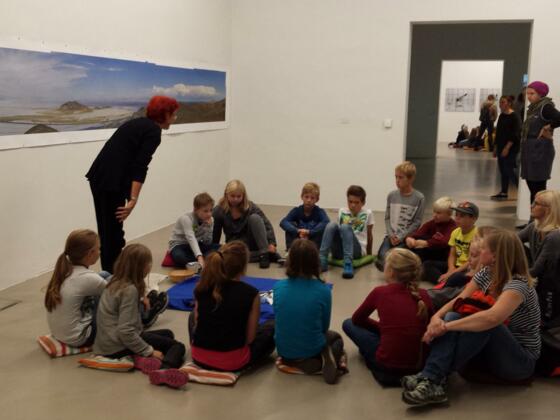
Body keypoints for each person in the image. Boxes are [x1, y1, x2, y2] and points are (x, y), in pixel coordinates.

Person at [402, 230, 541, 407]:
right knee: (454, 314)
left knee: (483, 321)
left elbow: (491, 318)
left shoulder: (518, 285)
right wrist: (437, 318)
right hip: (492, 349)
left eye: (483, 248)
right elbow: (459, 300)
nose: (479, 251)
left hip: (519, 362)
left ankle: (432, 377)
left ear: (495, 256)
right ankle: (431, 378)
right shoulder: (486, 273)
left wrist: (445, 327)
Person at [86, 96, 179, 272]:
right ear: (165, 114)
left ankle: (111, 274)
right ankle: (113, 278)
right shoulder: (153, 131)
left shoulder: (138, 124)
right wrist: (133, 199)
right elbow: (140, 167)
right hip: (110, 182)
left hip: (100, 177)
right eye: (173, 114)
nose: (175, 118)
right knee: (113, 235)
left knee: (108, 231)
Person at [93, 244, 188, 389]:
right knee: (178, 346)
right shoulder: (129, 290)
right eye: (149, 263)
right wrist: (149, 351)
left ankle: (139, 359)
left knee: (168, 334)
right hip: (117, 346)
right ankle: (163, 370)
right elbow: (126, 331)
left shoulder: (114, 281)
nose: (150, 267)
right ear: (141, 267)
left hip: (105, 343)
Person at [343, 248, 432, 385]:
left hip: (387, 367)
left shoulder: (380, 292)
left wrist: (382, 328)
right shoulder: (424, 295)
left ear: (390, 271)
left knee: (348, 323)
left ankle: (374, 356)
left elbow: (357, 319)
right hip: (418, 366)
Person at [188, 241, 275, 372]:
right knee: (272, 326)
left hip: (198, 357)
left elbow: (197, 323)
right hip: (232, 362)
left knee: (192, 315)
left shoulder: (201, 287)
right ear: (243, 267)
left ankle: (205, 350)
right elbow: (250, 339)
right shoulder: (251, 293)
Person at [273, 239, 345, 384]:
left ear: (290, 261)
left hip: (284, 351)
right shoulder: (323, 290)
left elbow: (279, 317)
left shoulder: (278, 286)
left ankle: (295, 361)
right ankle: (324, 357)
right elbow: (324, 327)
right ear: (315, 262)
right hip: (312, 349)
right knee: (336, 338)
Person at [45, 229, 105, 347]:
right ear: (90, 253)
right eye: (99, 248)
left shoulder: (64, 271)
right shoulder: (88, 278)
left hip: (60, 334)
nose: (100, 252)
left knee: (104, 275)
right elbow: (119, 294)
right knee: (115, 297)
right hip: (79, 338)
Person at [212, 180, 278, 269]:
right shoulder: (219, 210)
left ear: (243, 196)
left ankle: (264, 253)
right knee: (228, 257)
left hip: (252, 241)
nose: (235, 199)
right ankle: (267, 254)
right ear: (226, 195)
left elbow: (266, 224)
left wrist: (271, 243)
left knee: (255, 218)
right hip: (235, 244)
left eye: (239, 196)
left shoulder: (251, 206)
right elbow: (215, 232)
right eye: (232, 196)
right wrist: (214, 249)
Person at [518, 190, 560, 322]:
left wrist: (512, 275)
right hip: (540, 281)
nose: (531, 206)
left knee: (544, 322)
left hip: (551, 286)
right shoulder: (534, 227)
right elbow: (511, 242)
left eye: (536, 203)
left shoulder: (555, 236)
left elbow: (537, 270)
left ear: (548, 209)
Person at [376, 161, 425, 271]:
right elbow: (387, 218)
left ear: (411, 179)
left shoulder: (419, 198)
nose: (397, 180)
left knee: (394, 256)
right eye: (396, 177)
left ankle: (391, 266)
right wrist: (391, 234)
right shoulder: (391, 195)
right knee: (383, 255)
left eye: (401, 177)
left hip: (405, 238)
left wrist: (401, 236)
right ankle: (392, 266)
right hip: (391, 236)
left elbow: (417, 222)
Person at [319, 185, 374, 279]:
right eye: (350, 202)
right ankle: (322, 260)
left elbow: (369, 235)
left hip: (356, 251)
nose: (353, 205)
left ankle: (348, 264)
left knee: (345, 226)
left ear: (363, 202)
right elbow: (337, 232)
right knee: (331, 224)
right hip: (340, 250)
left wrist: (369, 255)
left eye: (357, 202)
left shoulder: (368, 213)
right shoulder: (342, 211)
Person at [520, 81, 560, 208]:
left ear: (541, 94)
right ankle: (534, 217)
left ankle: (541, 217)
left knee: (538, 189)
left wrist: (549, 127)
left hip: (540, 151)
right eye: (527, 93)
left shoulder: (545, 107)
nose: (529, 96)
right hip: (530, 150)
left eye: (532, 93)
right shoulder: (533, 108)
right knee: (532, 187)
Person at [422, 202, 478, 284]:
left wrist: (453, 272)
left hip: (468, 267)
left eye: (462, 216)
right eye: (456, 215)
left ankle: (444, 282)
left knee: (458, 277)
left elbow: (470, 261)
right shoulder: (455, 232)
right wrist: (451, 268)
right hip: (456, 265)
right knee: (427, 264)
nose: (457, 218)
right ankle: (445, 282)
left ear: (473, 219)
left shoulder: (477, 235)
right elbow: (452, 254)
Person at [169, 192, 217, 268]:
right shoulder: (186, 219)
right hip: (180, 245)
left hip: (196, 244)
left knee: (220, 248)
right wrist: (199, 257)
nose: (209, 214)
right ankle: (202, 258)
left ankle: (196, 260)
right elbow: (191, 238)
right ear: (195, 210)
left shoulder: (210, 219)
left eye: (211, 210)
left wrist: (208, 227)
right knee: (180, 257)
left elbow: (207, 242)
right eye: (205, 211)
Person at [279, 182, 330, 251]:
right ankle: (290, 251)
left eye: (312, 198)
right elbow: (283, 222)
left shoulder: (319, 211)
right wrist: (297, 231)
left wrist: (309, 232)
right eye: (306, 197)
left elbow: (326, 222)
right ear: (302, 197)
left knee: (322, 227)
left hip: (313, 241)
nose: (309, 200)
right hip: (298, 240)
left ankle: (317, 252)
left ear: (317, 199)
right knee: (290, 225)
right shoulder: (297, 210)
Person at [405, 196, 456, 263]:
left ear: (449, 214)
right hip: (430, 253)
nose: (434, 215)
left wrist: (426, 243)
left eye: (438, 213)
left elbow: (444, 242)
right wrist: (410, 238)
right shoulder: (432, 223)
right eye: (434, 212)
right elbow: (419, 233)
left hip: (442, 257)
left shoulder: (453, 227)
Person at [491, 95, 522, 200]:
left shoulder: (514, 116)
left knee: (509, 169)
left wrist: (507, 147)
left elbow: (515, 134)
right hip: (500, 146)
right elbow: (498, 132)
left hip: (511, 148)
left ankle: (521, 192)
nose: (500, 104)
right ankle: (504, 192)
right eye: (500, 102)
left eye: (503, 102)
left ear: (509, 103)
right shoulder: (501, 116)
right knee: (503, 170)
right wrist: (495, 147)